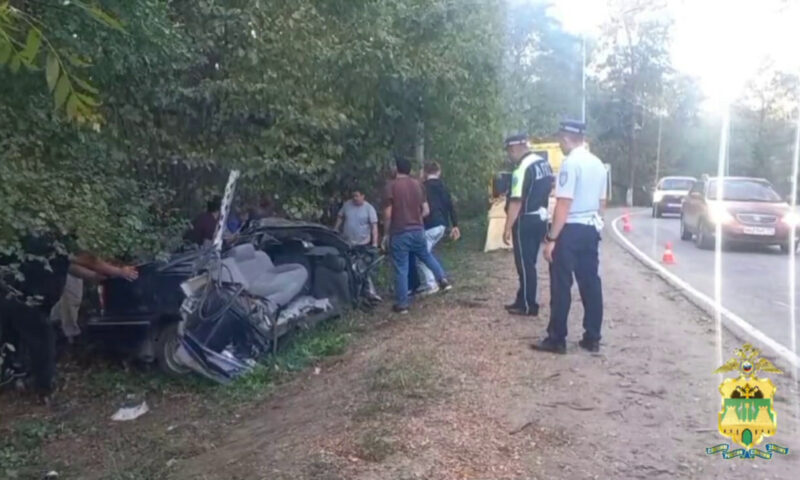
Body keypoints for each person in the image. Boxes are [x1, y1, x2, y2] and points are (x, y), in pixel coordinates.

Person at [534, 120, 607, 354]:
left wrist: (552, 238)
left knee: (561, 284)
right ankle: (592, 336)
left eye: (559, 139)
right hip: (590, 227)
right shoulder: (597, 164)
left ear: (566, 138)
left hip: (570, 229)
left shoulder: (570, 163)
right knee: (590, 283)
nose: (559, 143)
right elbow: (602, 202)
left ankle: (557, 338)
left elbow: (563, 203)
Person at [383, 156, 452, 314]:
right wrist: (416, 221)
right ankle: (442, 279)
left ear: (396, 168)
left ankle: (402, 305)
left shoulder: (391, 186)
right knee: (426, 255)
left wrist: (386, 233)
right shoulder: (418, 185)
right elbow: (426, 210)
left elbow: (388, 213)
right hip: (418, 230)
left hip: (400, 232)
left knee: (401, 267)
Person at [502, 133, 553, 317]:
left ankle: (527, 303)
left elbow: (516, 201)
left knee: (524, 264)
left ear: (514, 148)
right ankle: (522, 297)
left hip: (525, 220)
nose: (509, 155)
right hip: (541, 218)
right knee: (530, 262)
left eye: (509, 151)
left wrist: (508, 227)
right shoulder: (543, 163)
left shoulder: (521, 168)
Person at [50, 253, 139, 344]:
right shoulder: (57, 244)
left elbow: (69, 266)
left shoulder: (56, 254)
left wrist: (95, 276)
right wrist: (119, 272)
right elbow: (88, 260)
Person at [414, 161, 461, 295]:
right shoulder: (443, 187)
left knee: (422, 255)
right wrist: (455, 225)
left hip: (429, 224)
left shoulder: (422, 188)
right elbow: (450, 206)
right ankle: (439, 280)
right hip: (441, 224)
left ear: (425, 172)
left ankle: (431, 284)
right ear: (438, 172)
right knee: (427, 253)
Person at [334, 188, 382, 302]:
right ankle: (351, 293)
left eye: (357, 196)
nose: (354, 198)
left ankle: (369, 292)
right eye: (353, 196)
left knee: (363, 269)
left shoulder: (369, 208)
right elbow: (340, 217)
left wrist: (375, 243)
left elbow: (374, 227)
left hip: (363, 244)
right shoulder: (347, 205)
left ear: (363, 196)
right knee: (350, 268)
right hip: (348, 243)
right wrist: (335, 229)